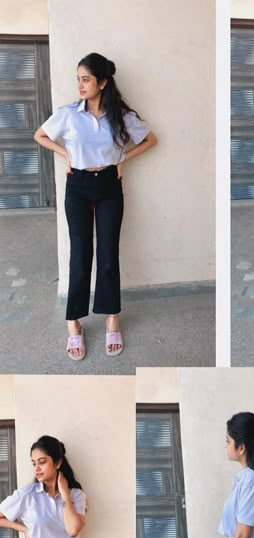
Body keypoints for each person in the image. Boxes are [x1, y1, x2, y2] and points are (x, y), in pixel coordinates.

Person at [34, 52, 158, 361]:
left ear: (102, 83)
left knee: (107, 253)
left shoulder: (122, 116)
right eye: (78, 78)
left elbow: (150, 140)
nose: (80, 84)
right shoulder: (68, 114)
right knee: (80, 253)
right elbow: (40, 135)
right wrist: (66, 155)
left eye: (86, 79)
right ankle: (73, 321)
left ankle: (112, 317)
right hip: (77, 186)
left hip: (109, 187)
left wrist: (122, 159)